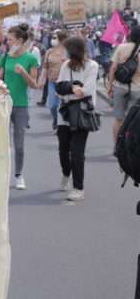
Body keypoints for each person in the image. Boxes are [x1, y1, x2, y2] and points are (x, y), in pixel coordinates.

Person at [55, 36, 98, 201]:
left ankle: (78, 187)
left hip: (82, 113)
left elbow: (86, 90)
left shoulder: (92, 66)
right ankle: (66, 173)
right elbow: (59, 88)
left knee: (77, 153)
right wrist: (73, 88)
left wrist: (70, 89)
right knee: (63, 150)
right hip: (65, 112)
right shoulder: (66, 65)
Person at [0, 24, 39, 190]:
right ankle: (3, 174)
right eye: (7, 39)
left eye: (10, 40)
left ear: (20, 41)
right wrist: (6, 56)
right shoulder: (6, 56)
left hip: (21, 105)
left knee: (19, 144)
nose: (7, 42)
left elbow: (34, 85)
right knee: (3, 142)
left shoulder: (30, 59)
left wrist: (23, 72)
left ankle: (18, 175)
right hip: (3, 102)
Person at [107, 25, 140, 142]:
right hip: (137, 88)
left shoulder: (121, 47)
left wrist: (110, 86)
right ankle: (129, 146)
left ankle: (117, 146)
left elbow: (113, 68)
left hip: (120, 86)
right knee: (133, 121)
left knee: (118, 119)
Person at [40, 30, 68, 132]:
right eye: (53, 37)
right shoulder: (49, 52)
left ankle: (61, 125)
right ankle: (55, 120)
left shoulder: (68, 52)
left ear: (62, 40)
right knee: (52, 105)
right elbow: (45, 67)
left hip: (64, 83)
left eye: (56, 38)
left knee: (61, 106)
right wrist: (41, 80)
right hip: (52, 82)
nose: (53, 40)